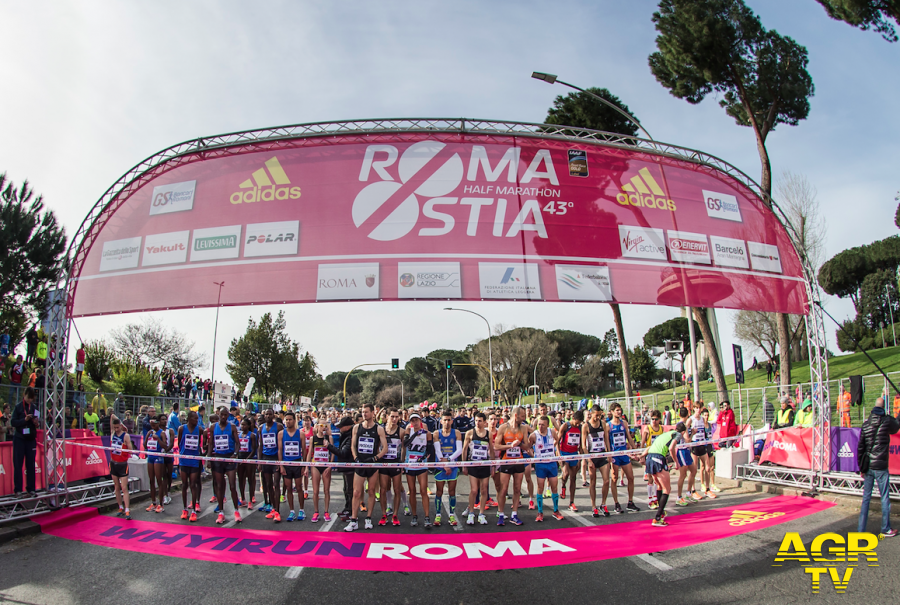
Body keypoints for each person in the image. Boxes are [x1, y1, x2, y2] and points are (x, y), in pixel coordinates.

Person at [857, 395, 899, 538]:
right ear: (884, 407)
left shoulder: (866, 424)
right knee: (884, 497)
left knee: (866, 498)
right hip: (881, 466)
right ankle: (885, 528)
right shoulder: (887, 421)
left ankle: (861, 530)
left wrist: (861, 468)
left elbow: (860, 448)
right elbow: (896, 427)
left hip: (868, 466)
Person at [345, 403, 387, 532]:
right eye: (363, 412)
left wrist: (376, 458)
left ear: (373, 413)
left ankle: (368, 518)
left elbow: (385, 448)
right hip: (360, 463)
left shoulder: (378, 429)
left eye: (366, 412)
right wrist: (356, 457)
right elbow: (353, 445)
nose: (364, 414)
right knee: (357, 492)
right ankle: (354, 520)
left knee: (371, 492)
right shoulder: (357, 427)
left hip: (372, 464)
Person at [641, 422, 688, 527]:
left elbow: (650, 447)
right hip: (658, 458)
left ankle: (660, 512)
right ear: (683, 432)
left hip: (650, 457)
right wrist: (676, 462)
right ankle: (657, 517)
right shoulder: (678, 434)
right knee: (667, 489)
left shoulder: (666, 434)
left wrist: (641, 456)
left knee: (659, 485)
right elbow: (671, 448)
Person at [493, 406, 532, 526]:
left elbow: (527, 447)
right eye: (522, 416)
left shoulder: (524, 428)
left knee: (517, 489)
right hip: (506, 461)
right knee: (503, 489)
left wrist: (519, 444)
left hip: (519, 461)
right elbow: (496, 446)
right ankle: (500, 514)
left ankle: (514, 514)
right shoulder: (503, 428)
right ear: (516, 416)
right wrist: (510, 446)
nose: (524, 418)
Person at [208, 406, 242, 525]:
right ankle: (221, 512)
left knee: (232, 485)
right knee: (219, 485)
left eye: (225, 415)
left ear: (228, 416)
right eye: (221, 415)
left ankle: (236, 511)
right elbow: (211, 443)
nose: (223, 417)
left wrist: (235, 454)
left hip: (229, 458)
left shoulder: (232, 427)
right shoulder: (213, 427)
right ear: (218, 415)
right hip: (218, 458)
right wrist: (208, 458)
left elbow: (238, 443)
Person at [402, 412, 433, 527]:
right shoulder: (408, 432)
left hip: (421, 465)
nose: (414, 423)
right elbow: (405, 444)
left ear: (420, 421)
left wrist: (424, 458)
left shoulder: (427, 434)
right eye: (412, 421)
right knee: (412, 490)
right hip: (410, 464)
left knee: (423, 490)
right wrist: (415, 434)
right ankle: (414, 516)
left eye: (416, 420)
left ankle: (427, 516)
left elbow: (429, 450)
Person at [462, 411, 494, 525]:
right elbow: (465, 449)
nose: (477, 423)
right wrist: (464, 465)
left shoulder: (488, 434)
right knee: (474, 490)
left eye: (480, 421)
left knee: (484, 489)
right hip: (473, 465)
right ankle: (471, 513)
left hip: (484, 464)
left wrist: (493, 466)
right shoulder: (470, 433)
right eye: (476, 421)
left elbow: (491, 450)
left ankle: (481, 513)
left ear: (485, 422)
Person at [530, 415, 563, 521]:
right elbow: (527, 447)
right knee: (540, 487)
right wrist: (534, 456)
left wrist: (554, 450)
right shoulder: (533, 435)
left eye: (543, 425)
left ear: (547, 425)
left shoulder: (552, 432)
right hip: (540, 465)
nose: (540, 426)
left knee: (554, 487)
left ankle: (556, 510)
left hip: (552, 463)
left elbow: (557, 440)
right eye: (539, 424)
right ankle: (540, 512)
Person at [608, 403, 639, 513]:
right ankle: (616, 503)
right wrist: (609, 455)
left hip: (624, 454)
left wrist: (636, 450)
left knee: (630, 477)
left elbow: (629, 438)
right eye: (617, 410)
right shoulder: (608, 425)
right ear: (612, 412)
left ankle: (630, 502)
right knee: (614, 478)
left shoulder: (624, 423)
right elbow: (607, 441)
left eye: (620, 410)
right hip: (615, 455)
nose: (619, 412)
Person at [433, 409, 462, 527]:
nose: (446, 422)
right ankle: (438, 514)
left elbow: (459, 450)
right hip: (440, 466)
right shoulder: (436, 433)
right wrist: (444, 465)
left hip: (452, 466)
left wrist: (449, 461)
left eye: (449, 420)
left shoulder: (456, 433)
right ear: (441, 421)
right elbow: (437, 451)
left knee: (452, 491)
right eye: (444, 420)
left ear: (452, 420)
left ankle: (451, 514)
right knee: (439, 491)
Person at [582, 407, 613, 517]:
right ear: (591, 414)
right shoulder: (586, 426)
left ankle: (603, 504)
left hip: (602, 454)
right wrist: (588, 459)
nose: (598, 417)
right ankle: (593, 506)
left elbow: (606, 440)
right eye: (596, 415)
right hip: (592, 456)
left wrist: (609, 453)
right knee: (593, 482)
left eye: (600, 415)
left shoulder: (603, 424)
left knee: (606, 481)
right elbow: (583, 445)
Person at [11, 387, 40, 495]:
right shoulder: (18, 407)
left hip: (30, 438)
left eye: (31, 398)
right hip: (20, 438)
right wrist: (25, 420)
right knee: (18, 464)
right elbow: (13, 422)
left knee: (31, 464)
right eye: (28, 398)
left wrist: (35, 422)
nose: (29, 400)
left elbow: (38, 422)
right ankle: (18, 489)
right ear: (24, 395)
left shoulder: (34, 407)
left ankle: (31, 488)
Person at [277, 411, 306, 522]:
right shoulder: (281, 433)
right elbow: (280, 450)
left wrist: (304, 465)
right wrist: (281, 465)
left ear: (294, 420)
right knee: (288, 488)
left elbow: (304, 450)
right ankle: (292, 511)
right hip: (286, 464)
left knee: (299, 487)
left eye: (290, 419)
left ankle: (302, 510)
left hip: (297, 463)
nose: (288, 421)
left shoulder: (301, 434)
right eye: (286, 419)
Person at [377, 408, 402, 526]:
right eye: (392, 416)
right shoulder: (381, 430)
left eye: (396, 417)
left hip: (395, 463)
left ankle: (395, 514)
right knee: (383, 489)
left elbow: (404, 448)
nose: (394, 419)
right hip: (384, 463)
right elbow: (377, 445)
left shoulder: (401, 431)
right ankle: (383, 514)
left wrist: (402, 463)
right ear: (387, 416)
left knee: (397, 489)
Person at [177, 410, 203, 521]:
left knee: (193, 484)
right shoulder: (182, 429)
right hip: (184, 460)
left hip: (194, 460)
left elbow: (202, 443)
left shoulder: (200, 429)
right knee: (184, 485)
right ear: (188, 419)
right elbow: (179, 442)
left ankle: (193, 510)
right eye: (194, 418)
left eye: (197, 419)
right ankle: (184, 509)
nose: (196, 420)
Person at [307, 418, 333, 523]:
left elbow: (333, 452)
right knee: (315, 491)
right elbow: (309, 453)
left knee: (326, 490)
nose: (323, 428)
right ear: (317, 426)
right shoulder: (313, 438)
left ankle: (326, 512)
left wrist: (330, 465)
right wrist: (306, 466)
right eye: (321, 426)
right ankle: (316, 512)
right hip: (316, 465)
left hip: (326, 465)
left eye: (325, 426)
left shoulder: (329, 438)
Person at [259, 408, 283, 521]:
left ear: (273, 415)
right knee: (268, 485)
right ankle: (273, 508)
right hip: (265, 458)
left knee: (276, 483)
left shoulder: (278, 427)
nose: (268, 416)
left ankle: (278, 511)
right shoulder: (261, 428)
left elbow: (281, 445)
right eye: (266, 414)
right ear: (264, 416)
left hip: (275, 458)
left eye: (270, 414)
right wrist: (259, 461)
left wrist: (280, 461)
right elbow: (260, 446)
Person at [108, 413, 134, 520]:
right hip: (113, 463)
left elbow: (131, 450)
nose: (116, 429)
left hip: (123, 464)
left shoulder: (125, 435)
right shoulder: (113, 433)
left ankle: (127, 510)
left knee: (124, 488)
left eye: (118, 427)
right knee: (116, 487)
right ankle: (120, 507)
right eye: (115, 427)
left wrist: (125, 450)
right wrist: (118, 422)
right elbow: (112, 416)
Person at [557, 410, 583, 510]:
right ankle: (563, 486)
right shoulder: (565, 426)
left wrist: (580, 459)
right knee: (566, 473)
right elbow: (557, 442)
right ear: (573, 418)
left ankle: (571, 502)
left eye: (579, 423)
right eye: (576, 422)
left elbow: (580, 445)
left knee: (573, 478)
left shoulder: (580, 428)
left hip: (574, 454)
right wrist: (559, 455)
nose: (577, 424)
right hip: (564, 453)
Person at [640, 410, 665, 509]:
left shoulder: (661, 429)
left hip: (658, 455)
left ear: (659, 420)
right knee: (650, 478)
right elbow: (642, 443)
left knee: (657, 479)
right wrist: (642, 456)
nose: (654, 421)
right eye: (652, 419)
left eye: (656, 419)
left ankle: (655, 497)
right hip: (649, 455)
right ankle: (650, 499)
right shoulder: (648, 428)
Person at [144, 416, 167, 513]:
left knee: (159, 480)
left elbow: (165, 446)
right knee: (151, 480)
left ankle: (161, 504)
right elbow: (145, 445)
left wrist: (158, 439)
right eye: (151, 425)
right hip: (150, 457)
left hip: (158, 457)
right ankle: (153, 502)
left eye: (154, 425)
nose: (153, 426)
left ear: (158, 423)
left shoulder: (161, 433)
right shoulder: (150, 432)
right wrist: (147, 438)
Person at [236, 418, 258, 511]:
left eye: (244, 425)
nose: (242, 426)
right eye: (241, 424)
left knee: (250, 479)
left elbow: (254, 449)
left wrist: (247, 459)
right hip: (240, 458)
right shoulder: (239, 435)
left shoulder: (252, 435)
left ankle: (250, 499)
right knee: (241, 479)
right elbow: (237, 447)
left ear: (249, 426)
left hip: (249, 458)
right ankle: (243, 498)